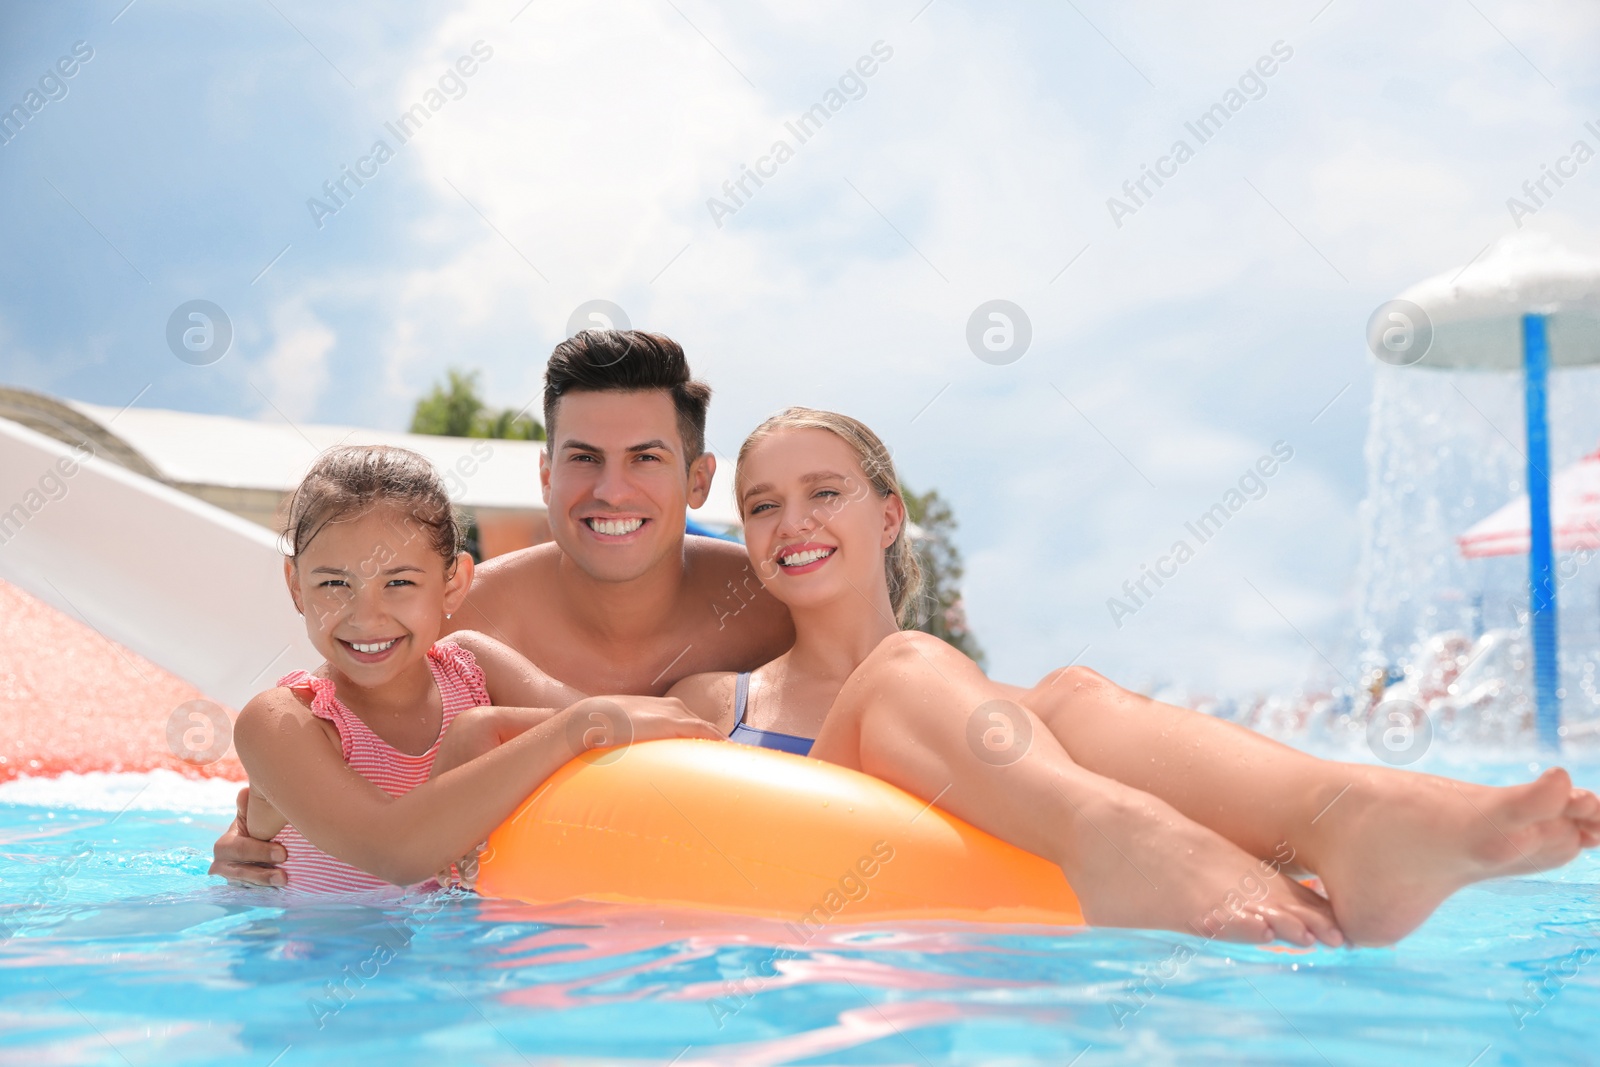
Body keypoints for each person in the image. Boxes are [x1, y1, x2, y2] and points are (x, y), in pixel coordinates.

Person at [662, 407, 1600, 946]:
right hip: (818, 910)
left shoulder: (1001, 714)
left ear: (890, 515)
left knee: (1072, 693)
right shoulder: (722, 701)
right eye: (762, 506)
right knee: (908, 665)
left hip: (971, 955)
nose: (793, 523)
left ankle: (1354, 817)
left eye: (825, 492)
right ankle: (1132, 846)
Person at [211, 331, 793, 885]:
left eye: (644, 457)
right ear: (546, 476)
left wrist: (488, 731)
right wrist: (255, 824)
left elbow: (634, 737)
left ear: (698, 479)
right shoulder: (454, 620)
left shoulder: (774, 604)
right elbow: (346, 730)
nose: (612, 491)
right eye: (585, 458)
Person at [231, 444, 721, 892]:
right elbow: (395, 853)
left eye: (399, 582)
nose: (366, 616)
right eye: (334, 584)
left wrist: (487, 726)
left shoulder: (472, 668)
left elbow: (627, 741)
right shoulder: (282, 722)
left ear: (453, 584)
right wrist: (568, 728)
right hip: (315, 969)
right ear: (296, 587)